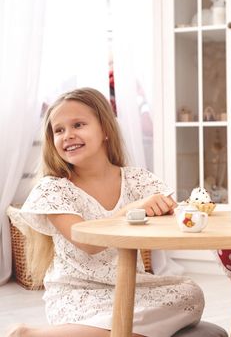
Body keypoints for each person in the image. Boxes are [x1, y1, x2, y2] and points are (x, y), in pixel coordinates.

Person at [7, 88, 205, 337]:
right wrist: (129, 211)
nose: (68, 135)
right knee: (128, 317)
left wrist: (172, 212)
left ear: (106, 131)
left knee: (191, 294)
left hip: (133, 286)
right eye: (59, 130)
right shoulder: (53, 189)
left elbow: (172, 221)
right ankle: (29, 334)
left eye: (78, 124)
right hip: (78, 294)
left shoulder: (137, 179)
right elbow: (87, 242)